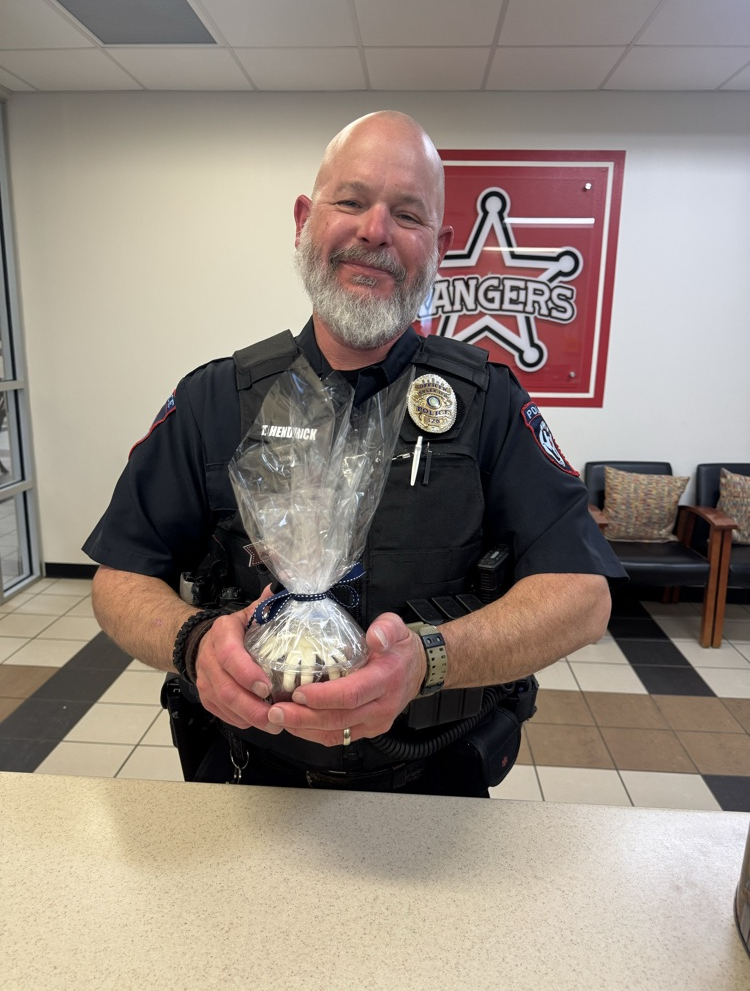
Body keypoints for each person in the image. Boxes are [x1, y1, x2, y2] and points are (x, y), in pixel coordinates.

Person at [84, 111, 625, 796]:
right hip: (250, 782)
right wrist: (192, 643)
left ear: (440, 245)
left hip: (433, 789)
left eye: (408, 214)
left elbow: (583, 596)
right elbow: (119, 577)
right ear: (304, 220)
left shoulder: (487, 403)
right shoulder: (214, 400)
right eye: (350, 201)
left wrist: (430, 659)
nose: (375, 231)